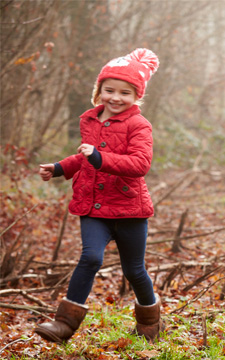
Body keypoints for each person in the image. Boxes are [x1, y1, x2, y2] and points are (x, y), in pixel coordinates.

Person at [35, 48, 162, 343]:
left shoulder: (139, 125)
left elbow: (140, 165)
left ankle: (150, 322)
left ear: (136, 97)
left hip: (129, 209)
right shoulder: (90, 120)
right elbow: (84, 156)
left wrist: (100, 158)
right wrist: (57, 168)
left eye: (125, 93)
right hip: (93, 206)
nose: (116, 98)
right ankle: (64, 324)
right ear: (99, 90)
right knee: (90, 257)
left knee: (134, 270)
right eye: (109, 90)